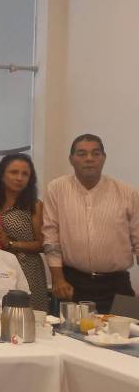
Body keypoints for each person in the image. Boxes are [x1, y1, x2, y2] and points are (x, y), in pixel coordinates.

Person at [43, 134, 139, 313]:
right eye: (82, 154)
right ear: (71, 159)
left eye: (95, 153)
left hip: (117, 284)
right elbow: (51, 236)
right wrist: (58, 279)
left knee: (126, 330)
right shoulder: (56, 189)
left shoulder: (128, 193)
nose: (89, 159)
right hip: (73, 283)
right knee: (71, 331)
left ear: (104, 158)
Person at [0, 153, 48, 312]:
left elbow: (42, 244)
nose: (19, 178)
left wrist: (10, 243)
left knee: (29, 315)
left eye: (25, 174)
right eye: (14, 172)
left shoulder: (34, 205)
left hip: (27, 268)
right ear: (2, 175)